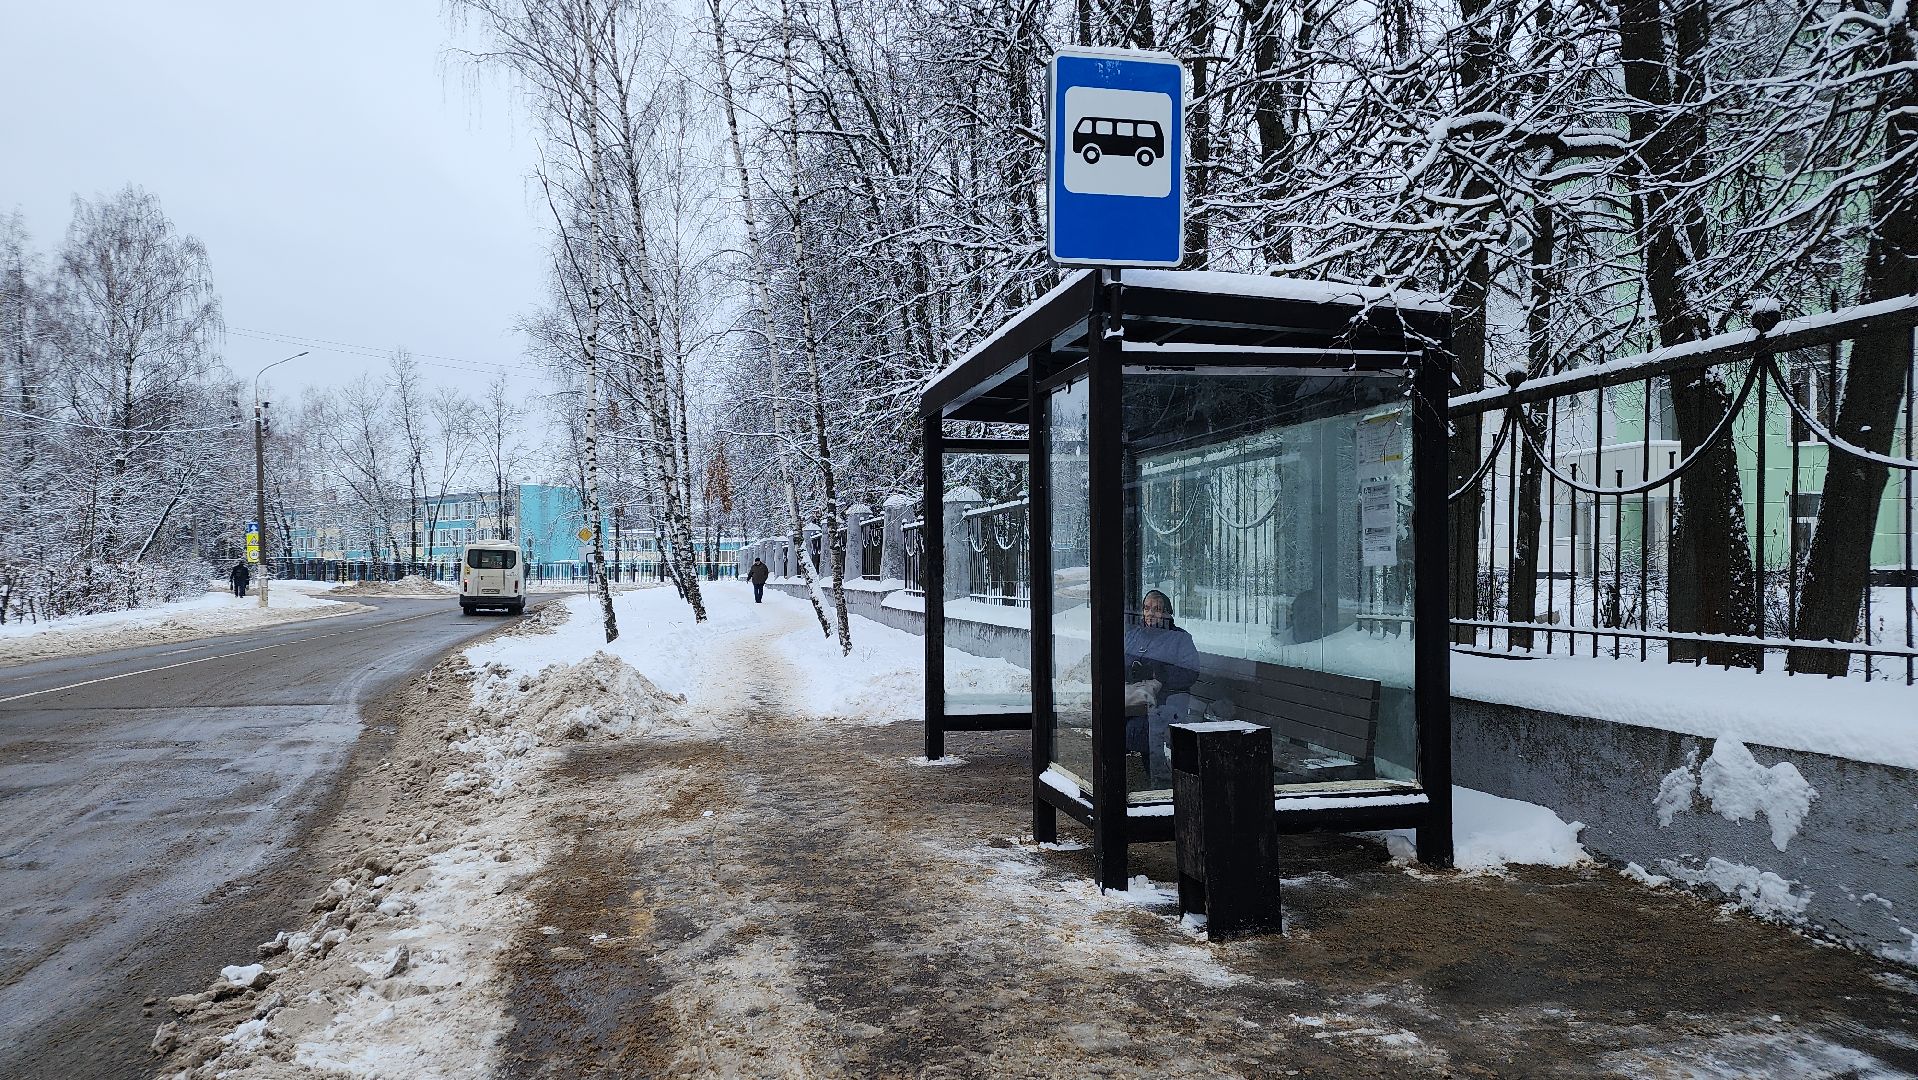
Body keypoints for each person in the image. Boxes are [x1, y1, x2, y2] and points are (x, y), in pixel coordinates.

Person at [1123, 589, 1201, 785]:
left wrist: (1159, 673)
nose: (1151, 613)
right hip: (1134, 700)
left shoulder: (1180, 639)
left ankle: (1160, 783)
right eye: (1147, 608)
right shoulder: (1133, 636)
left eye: (1157, 609)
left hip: (1165, 703)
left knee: (1137, 729)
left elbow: (1190, 673)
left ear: (1167, 612)